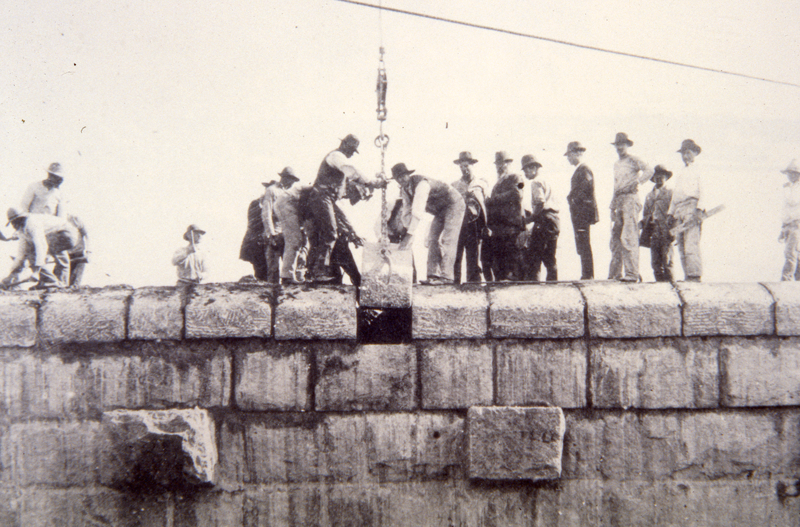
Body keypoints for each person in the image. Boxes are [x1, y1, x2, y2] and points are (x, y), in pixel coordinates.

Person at [307, 134, 384, 282]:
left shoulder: (340, 183)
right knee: (330, 233)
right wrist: (370, 183)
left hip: (325, 198)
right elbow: (350, 169)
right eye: (350, 150)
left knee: (330, 234)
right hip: (321, 197)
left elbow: (341, 214)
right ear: (344, 145)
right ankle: (318, 271)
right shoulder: (336, 156)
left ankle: (317, 271)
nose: (350, 154)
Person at [391, 162, 465, 284]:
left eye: (403, 175)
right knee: (432, 239)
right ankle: (433, 275)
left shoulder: (421, 184)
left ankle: (446, 277)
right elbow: (406, 213)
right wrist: (406, 230)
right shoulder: (405, 191)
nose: (401, 179)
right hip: (440, 210)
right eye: (397, 178)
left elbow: (417, 212)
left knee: (448, 239)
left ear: (408, 175)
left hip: (453, 204)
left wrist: (408, 236)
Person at [0, 208, 83, 289]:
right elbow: (21, 255)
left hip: (66, 234)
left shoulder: (32, 224)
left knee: (35, 253)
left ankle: (50, 281)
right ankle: (49, 281)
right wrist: (10, 275)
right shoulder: (23, 232)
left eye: (14, 222)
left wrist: (36, 271)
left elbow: (41, 247)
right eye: (12, 223)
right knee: (30, 253)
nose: (13, 226)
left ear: (20, 219)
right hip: (59, 234)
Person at [609, 133, 653, 282]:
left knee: (629, 236)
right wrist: (612, 207)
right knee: (616, 238)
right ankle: (615, 274)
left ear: (627, 145)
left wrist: (639, 182)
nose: (620, 147)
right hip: (619, 200)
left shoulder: (633, 160)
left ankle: (632, 274)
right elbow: (616, 186)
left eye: (622, 144)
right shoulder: (616, 164)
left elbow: (649, 170)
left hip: (630, 198)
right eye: (617, 145)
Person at [485, 151, 525, 281]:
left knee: (511, 260)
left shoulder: (516, 178)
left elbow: (517, 193)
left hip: (511, 226)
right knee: (499, 263)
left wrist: (494, 199)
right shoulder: (497, 184)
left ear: (509, 163)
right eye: (498, 164)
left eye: (502, 163)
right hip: (498, 228)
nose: (499, 167)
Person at [519, 155, 559, 281]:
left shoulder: (536, 182)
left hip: (544, 221)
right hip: (554, 221)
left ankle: (534, 287)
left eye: (526, 169)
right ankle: (553, 285)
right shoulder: (547, 180)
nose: (525, 173)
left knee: (534, 257)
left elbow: (540, 203)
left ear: (534, 168)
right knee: (550, 257)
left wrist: (529, 219)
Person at [451, 151, 489, 283]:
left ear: (472, 165)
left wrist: (486, 225)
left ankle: (474, 284)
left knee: (473, 256)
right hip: (459, 225)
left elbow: (486, 204)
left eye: (466, 166)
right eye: (461, 166)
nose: (464, 169)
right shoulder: (454, 185)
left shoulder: (481, 183)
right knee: (456, 256)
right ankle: (454, 283)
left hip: (475, 226)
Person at [668, 139, 703, 282]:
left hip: (691, 206)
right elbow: (676, 194)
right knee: (681, 244)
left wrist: (699, 209)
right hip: (679, 209)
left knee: (691, 243)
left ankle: (694, 275)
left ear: (694, 153)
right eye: (683, 153)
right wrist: (671, 213)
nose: (685, 156)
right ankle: (687, 275)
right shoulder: (682, 172)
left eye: (688, 153)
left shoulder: (699, 169)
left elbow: (704, 190)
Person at [565, 141, 598, 279]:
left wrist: (573, 200)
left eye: (570, 155)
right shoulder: (580, 169)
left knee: (583, 242)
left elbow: (585, 188)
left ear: (577, 153)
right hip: (579, 212)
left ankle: (588, 274)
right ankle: (586, 273)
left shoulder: (584, 169)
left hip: (582, 212)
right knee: (581, 242)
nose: (568, 158)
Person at [261, 167, 300, 283]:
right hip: (276, 232)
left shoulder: (292, 193)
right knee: (273, 267)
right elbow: (266, 212)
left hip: (288, 232)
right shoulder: (272, 190)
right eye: (291, 179)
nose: (293, 182)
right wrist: (270, 233)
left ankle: (286, 295)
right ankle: (272, 298)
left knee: (289, 268)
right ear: (284, 178)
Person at [641, 165, 674, 282]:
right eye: (656, 176)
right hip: (653, 231)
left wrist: (673, 230)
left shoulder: (671, 193)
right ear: (653, 178)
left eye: (662, 176)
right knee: (655, 263)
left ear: (666, 177)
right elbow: (645, 214)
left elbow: (674, 212)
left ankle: (672, 288)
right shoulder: (649, 196)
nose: (659, 178)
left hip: (666, 229)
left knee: (667, 261)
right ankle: (660, 287)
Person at [779, 159, 800, 281]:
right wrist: (783, 228)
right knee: (795, 253)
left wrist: (786, 190)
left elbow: (793, 201)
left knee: (790, 253)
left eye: (791, 173)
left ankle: (787, 279)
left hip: (796, 225)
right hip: (789, 224)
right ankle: (797, 280)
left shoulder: (795, 188)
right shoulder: (790, 187)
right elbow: (786, 211)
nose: (789, 176)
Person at [239, 198, 268, 281]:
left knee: (262, 269)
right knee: (262, 269)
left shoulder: (257, 202)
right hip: (256, 241)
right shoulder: (257, 203)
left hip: (254, 240)